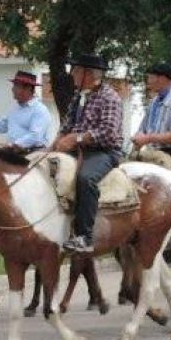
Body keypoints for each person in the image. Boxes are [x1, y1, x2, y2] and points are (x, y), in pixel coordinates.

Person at [53, 54, 123, 254]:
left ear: (88, 74)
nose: (72, 74)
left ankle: (85, 236)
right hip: (79, 150)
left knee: (85, 178)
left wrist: (76, 139)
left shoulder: (110, 97)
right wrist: (52, 147)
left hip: (104, 152)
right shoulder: (79, 96)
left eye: (75, 70)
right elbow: (66, 126)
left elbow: (108, 134)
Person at [0, 70, 54, 153]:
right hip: (15, 153)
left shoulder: (40, 110)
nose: (12, 89)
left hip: (34, 155)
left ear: (27, 89)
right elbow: (1, 126)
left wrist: (12, 145)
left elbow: (35, 137)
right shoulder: (15, 109)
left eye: (16, 86)